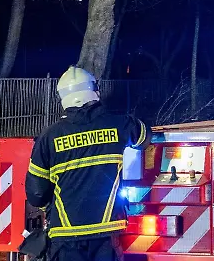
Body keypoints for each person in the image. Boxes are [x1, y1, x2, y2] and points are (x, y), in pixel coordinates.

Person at [26, 66, 150, 261]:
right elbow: (144, 137)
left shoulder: (49, 137)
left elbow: (36, 195)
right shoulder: (120, 123)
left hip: (65, 236)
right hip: (106, 234)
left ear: (62, 98)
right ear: (94, 91)